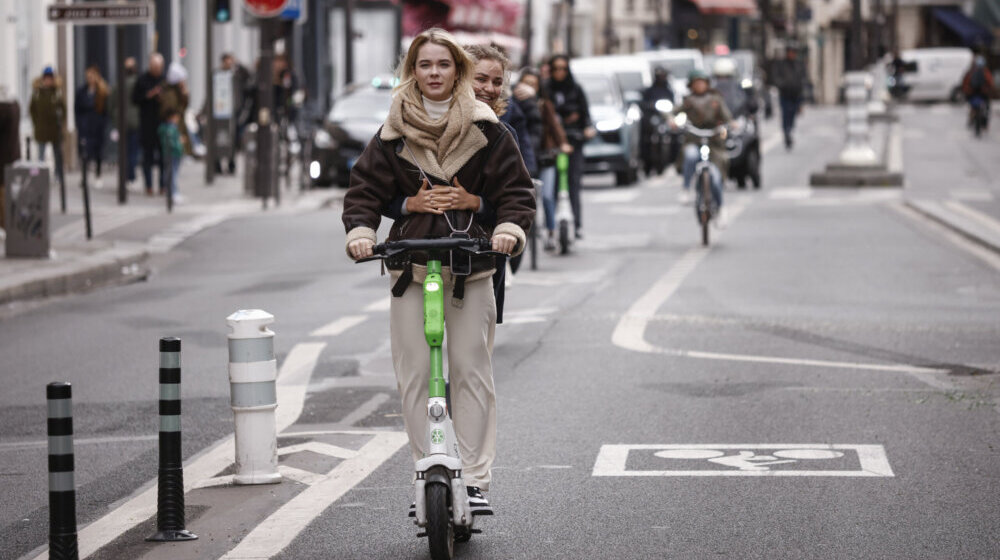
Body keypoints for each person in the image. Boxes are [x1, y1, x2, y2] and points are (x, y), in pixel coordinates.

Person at [342, 28, 535, 516]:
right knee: (413, 374)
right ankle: (430, 466)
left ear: (458, 71)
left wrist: (507, 227)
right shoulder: (391, 131)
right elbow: (363, 189)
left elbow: (517, 190)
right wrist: (362, 231)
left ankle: (473, 478)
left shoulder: (490, 129)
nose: (434, 73)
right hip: (411, 264)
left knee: (471, 370)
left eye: (443, 65)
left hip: (470, 266)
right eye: (424, 65)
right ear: (412, 71)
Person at [517, 68, 572, 251]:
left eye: (533, 84)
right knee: (525, 197)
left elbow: (555, 126)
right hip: (524, 158)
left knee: (548, 196)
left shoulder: (544, 104)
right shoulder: (514, 104)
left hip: (545, 157)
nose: (529, 88)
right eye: (526, 83)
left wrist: (562, 143)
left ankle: (551, 232)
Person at [672, 69, 733, 227]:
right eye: (696, 83)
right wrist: (672, 121)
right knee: (691, 156)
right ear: (691, 85)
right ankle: (686, 189)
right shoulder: (688, 101)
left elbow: (727, 117)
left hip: (714, 143)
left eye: (702, 82)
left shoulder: (715, 99)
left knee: (715, 177)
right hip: (694, 140)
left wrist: (731, 124)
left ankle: (721, 208)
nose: (699, 86)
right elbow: (673, 113)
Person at [545, 54, 595, 239]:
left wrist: (588, 129)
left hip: (574, 142)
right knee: (551, 187)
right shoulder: (546, 89)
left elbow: (586, 115)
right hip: (553, 144)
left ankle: (577, 224)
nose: (560, 72)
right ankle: (550, 226)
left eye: (563, 68)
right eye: (556, 68)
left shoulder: (576, 89)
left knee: (573, 183)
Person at [133, 53, 166, 196]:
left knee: (164, 158)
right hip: (147, 125)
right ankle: (149, 186)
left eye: (159, 67)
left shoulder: (165, 81)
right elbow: (134, 99)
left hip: (161, 123)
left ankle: (163, 186)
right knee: (147, 158)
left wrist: (162, 98)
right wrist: (149, 95)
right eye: (155, 67)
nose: (157, 69)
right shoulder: (142, 80)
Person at [29, 67, 66, 190]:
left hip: (54, 129)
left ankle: (58, 175)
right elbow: (32, 110)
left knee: (57, 154)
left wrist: (60, 124)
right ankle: (40, 177)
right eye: (46, 78)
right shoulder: (37, 93)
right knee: (41, 154)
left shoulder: (56, 93)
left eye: (50, 78)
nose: (48, 81)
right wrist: (36, 123)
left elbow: (63, 109)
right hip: (41, 129)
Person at [75, 65, 110, 188]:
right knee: (85, 153)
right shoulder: (81, 92)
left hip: (97, 126)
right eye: (88, 77)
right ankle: (84, 177)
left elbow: (106, 110)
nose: (90, 79)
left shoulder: (102, 92)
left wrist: (103, 124)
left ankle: (98, 175)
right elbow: (77, 110)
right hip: (85, 126)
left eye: (92, 76)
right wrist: (79, 124)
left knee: (98, 152)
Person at [110, 57, 140, 185]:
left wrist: (114, 116)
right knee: (132, 150)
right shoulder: (136, 83)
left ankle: (126, 175)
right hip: (134, 121)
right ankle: (130, 176)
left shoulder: (118, 84)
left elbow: (111, 103)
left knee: (124, 150)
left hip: (121, 121)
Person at [641, 66, 676, 177]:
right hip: (653, 118)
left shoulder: (669, 91)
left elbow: (673, 105)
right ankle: (646, 162)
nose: (662, 78)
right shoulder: (649, 91)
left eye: (663, 76)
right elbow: (644, 103)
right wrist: (649, 106)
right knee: (645, 137)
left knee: (676, 135)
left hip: (664, 119)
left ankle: (671, 159)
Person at [769, 47, 805, 150]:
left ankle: (789, 130)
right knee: (785, 114)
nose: (792, 55)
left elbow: (802, 79)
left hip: (796, 94)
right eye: (790, 53)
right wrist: (783, 85)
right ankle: (786, 132)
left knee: (793, 115)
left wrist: (802, 98)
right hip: (785, 94)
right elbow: (776, 77)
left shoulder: (798, 64)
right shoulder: (782, 64)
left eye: (793, 53)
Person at [160, 62, 190, 154]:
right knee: (173, 155)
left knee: (176, 154)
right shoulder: (170, 93)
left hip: (177, 124)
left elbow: (183, 106)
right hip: (172, 125)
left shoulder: (178, 92)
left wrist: (185, 95)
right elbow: (169, 108)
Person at [158, 108, 184, 203]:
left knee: (172, 173)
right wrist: (179, 142)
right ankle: (173, 193)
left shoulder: (170, 128)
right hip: (172, 153)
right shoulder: (170, 129)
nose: (178, 120)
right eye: (176, 118)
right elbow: (172, 142)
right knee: (172, 174)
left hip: (172, 153)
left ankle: (172, 192)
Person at [962, 54, 994, 129]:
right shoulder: (986, 72)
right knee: (986, 107)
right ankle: (984, 123)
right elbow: (990, 83)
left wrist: (966, 91)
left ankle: (971, 119)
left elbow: (965, 83)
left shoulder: (971, 72)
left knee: (973, 107)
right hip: (982, 93)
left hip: (972, 93)